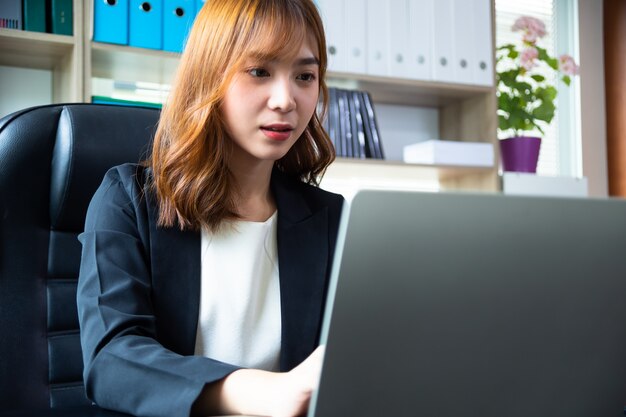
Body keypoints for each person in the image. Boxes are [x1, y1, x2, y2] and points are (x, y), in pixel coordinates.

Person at [76, 1, 344, 416]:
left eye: (305, 76)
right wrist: (269, 393)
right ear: (209, 74)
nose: (285, 100)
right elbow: (112, 359)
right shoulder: (127, 199)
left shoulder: (330, 219)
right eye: (259, 72)